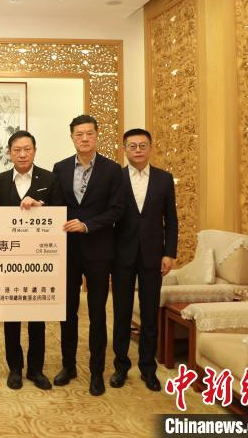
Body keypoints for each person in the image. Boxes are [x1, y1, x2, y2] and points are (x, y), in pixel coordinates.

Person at [52, 114, 124, 396]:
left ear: (97, 135)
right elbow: (56, 205)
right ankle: (68, 366)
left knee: (97, 313)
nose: (84, 138)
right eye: (79, 134)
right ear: (71, 137)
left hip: (98, 250)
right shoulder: (59, 168)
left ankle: (96, 372)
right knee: (67, 311)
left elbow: (117, 210)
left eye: (89, 133)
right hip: (68, 251)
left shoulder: (112, 169)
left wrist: (87, 225)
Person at [110, 128, 177, 392]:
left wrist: (169, 253)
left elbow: (171, 219)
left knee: (150, 315)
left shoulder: (164, 179)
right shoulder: (115, 178)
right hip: (121, 255)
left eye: (142, 145)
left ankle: (148, 369)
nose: (137, 150)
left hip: (153, 256)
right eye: (132, 146)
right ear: (124, 149)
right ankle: (120, 366)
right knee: (121, 314)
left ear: (150, 148)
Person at [0, 130, 59, 391]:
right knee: (12, 317)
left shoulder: (50, 179)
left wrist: (43, 208)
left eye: (27, 149)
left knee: (37, 317)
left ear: (34, 151)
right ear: (9, 153)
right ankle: (15, 369)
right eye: (17, 150)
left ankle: (36, 369)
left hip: (40, 260)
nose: (22, 154)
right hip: (8, 260)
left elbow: (61, 213)